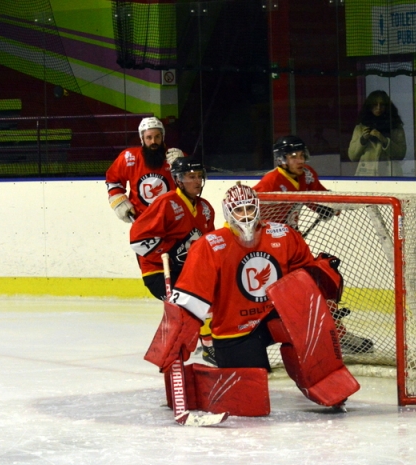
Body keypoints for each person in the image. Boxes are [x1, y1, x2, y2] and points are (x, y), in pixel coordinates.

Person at [170, 184, 343, 371]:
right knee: (249, 386)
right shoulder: (209, 245)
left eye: (250, 208)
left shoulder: (284, 234)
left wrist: (321, 277)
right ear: (228, 212)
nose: (246, 215)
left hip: (278, 315)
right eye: (238, 210)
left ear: (258, 208)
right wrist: (178, 337)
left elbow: (304, 278)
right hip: (235, 326)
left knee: (315, 333)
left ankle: (325, 378)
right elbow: (190, 297)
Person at [254, 136, 374, 355]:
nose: (299, 160)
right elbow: (249, 212)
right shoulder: (270, 182)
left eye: (301, 155)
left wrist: (324, 207)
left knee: (320, 280)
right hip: (269, 248)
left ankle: (337, 333)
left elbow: (316, 194)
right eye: (293, 157)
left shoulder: (307, 174)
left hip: (294, 242)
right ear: (282, 159)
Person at [129, 157, 216, 300]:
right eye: (192, 176)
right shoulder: (166, 202)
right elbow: (138, 239)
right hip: (159, 271)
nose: (198, 181)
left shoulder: (206, 208)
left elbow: (209, 244)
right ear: (178, 180)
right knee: (187, 301)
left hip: (187, 270)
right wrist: (171, 256)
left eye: (200, 176)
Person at [105, 116, 184, 223]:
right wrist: (119, 201)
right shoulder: (128, 157)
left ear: (162, 137)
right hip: (142, 220)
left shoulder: (174, 157)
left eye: (157, 137)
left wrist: (183, 164)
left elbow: (192, 182)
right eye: (149, 137)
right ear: (142, 139)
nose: (153, 141)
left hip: (173, 218)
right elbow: (113, 180)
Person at [348, 90, 407, 176]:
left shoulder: (395, 127)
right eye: (375, 104)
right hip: (367, 176)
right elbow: (352, 156)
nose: (378, 108)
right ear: (369, 106)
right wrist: (362, 140)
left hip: (390, 176)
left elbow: (401, 154)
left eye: (382, 105)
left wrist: (384, 141)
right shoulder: (361, 127)